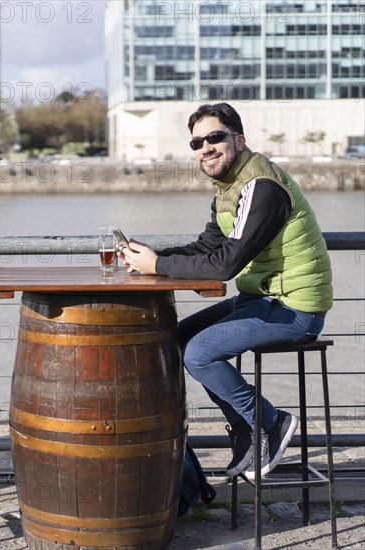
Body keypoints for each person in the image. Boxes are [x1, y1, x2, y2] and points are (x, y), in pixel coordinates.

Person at [118, 102, 333, 480]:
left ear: (239, 139)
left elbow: (224, 265)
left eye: (215, 137)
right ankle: (248, 431)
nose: (206, 147)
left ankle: (272, 422)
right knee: (183, 337)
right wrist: (150, 256)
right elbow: (207, 248)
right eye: (197, 142)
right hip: (262, 298)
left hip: (294, 306)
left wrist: (158, 267)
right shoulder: (230, 189)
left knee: (199, 353)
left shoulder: (262, 187)